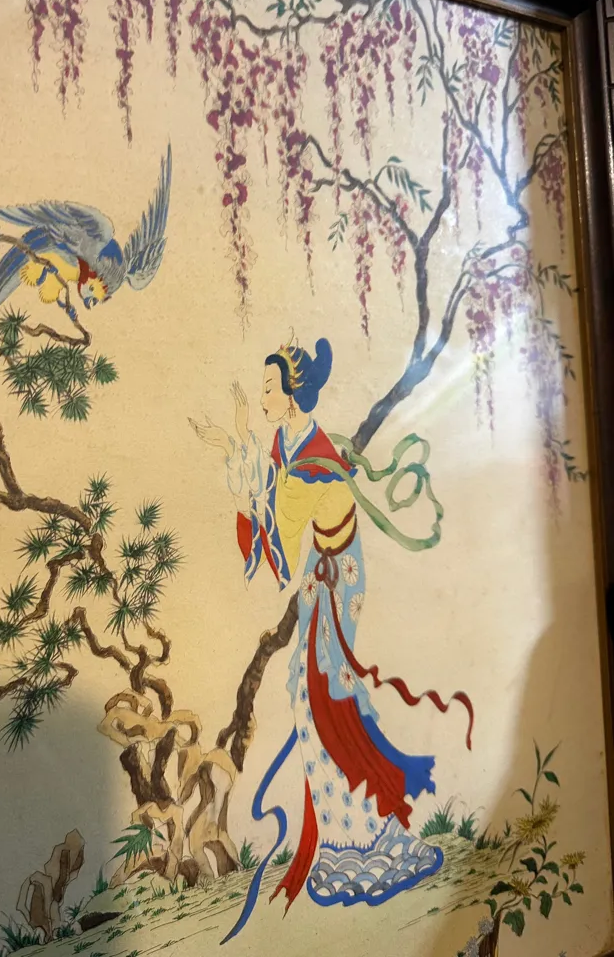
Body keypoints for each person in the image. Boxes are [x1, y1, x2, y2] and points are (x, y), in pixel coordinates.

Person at [191, 335, 459, 939]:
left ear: (291, 394)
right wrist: (237, 442)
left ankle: (362, 836)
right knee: (310, 695)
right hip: (324, 573)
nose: (263, 396)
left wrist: (241, 480)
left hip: (337, 581)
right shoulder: (290, 444)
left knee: (323, 699)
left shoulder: (307, 463)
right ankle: (346, 835)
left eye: (268, 388)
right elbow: (272, 504)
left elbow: (278, 551)